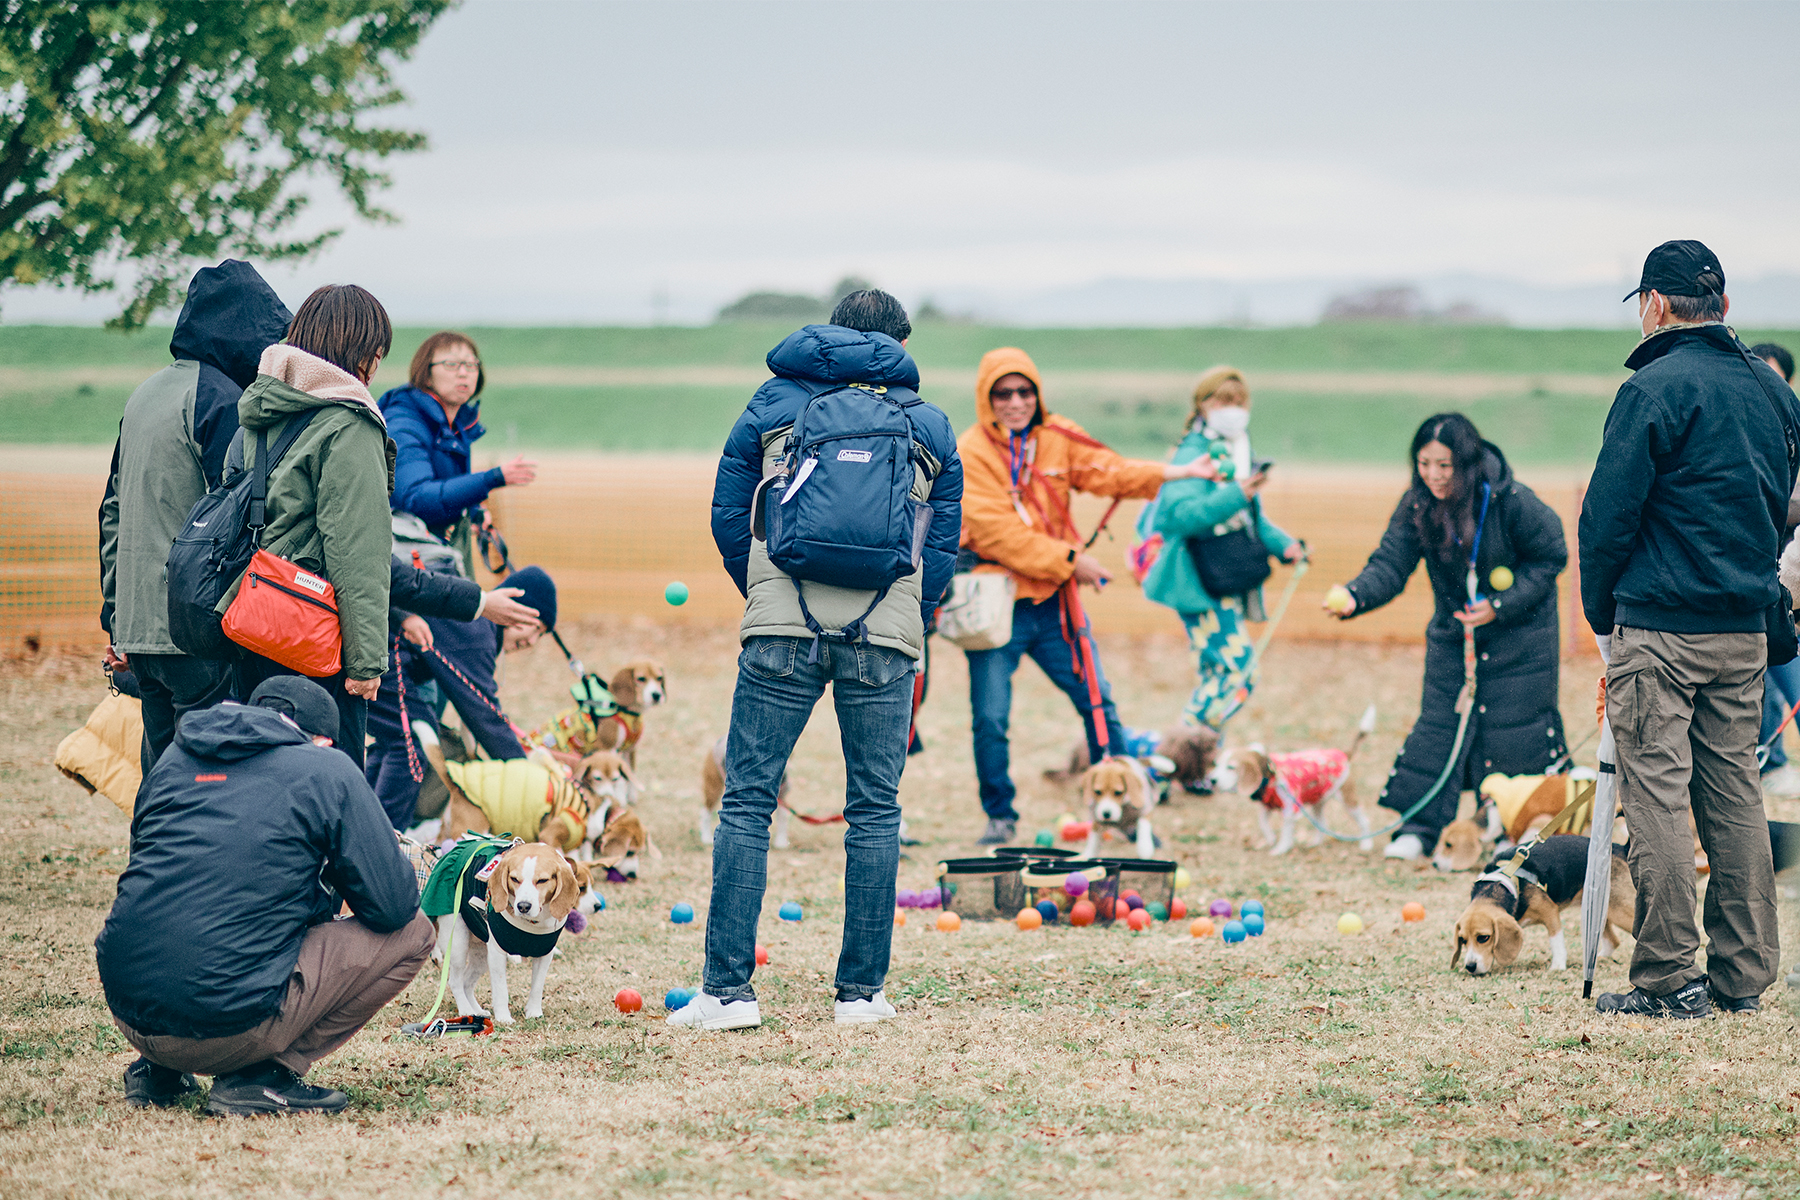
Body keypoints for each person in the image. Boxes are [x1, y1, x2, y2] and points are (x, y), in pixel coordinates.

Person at [678, 290, 961, 1030]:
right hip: (885, 635)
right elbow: (942, 547)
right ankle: (861, 997)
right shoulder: (928, 423)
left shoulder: (771, 402)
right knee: (876, 809)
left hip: (780, 626)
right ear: (900, 341)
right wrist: (909, 614)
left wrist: (767, 590)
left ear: (832, 333)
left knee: (746, 800)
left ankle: (727, 995)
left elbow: (727, 513)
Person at [1581, 239, 1799, 1018]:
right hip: (1746, 629)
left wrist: (1604, 622)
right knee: (1736, 794)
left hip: (1661, 631)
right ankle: (1743, 979)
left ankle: (1669, 978)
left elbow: (1606, 521)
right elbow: (1782, 511)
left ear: (1655, 305)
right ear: (1725, 307)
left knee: (1658, 801)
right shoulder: (1774, 395)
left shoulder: (1651, 392)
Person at [96, 676, 432, 1116]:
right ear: (322, 740)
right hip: (226, 1027)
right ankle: (263, 1075)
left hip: (130, 1011)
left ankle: (157, 1069)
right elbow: (393, 906)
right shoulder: (325, 768)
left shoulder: (175, 758)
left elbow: (151, 861)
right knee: (416, 933)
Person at [957, 347, 1218, 845]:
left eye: (1025, 391)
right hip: (998, 607)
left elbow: (1108, 471)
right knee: (990, 718)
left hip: (1054, 606)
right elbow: (997, 533)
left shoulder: (1058, 438)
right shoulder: (971, 452)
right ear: (986, 398)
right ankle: (999, 814)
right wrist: (1074, 563)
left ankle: (1128, 810)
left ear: (1038, 393)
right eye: (1003, 393)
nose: (1016, 401)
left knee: (1099, 703)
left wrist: (1174, 474)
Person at [1328, 413, 1568, 861]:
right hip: (1454, 635)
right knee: (1440, 726)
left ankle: (1510, 828)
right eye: (1424, 464)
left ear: (1467, 463)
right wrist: (1355, 595)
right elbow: (1390, 563)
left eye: (1444, 465)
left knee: (1512, 733)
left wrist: (1501, 604)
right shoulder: (1417, 504)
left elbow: (1551, 554)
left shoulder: (1510, 500)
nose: (1434, 475)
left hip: (1521, 640)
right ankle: (1419, 828)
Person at [98, 261, 292, 778]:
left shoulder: (145, 393)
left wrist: (115, 618)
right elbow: (236, 523)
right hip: (197, 628)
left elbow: (112, 509)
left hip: (139, 629)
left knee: (162, 775)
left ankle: (150, 860)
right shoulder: (222, 399)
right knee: (208, 778)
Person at [232, 284, 398, 767]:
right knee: (332, 779)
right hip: (312, 630)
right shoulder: (349, 425)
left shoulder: (262, 412)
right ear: (364, 352)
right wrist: (366, 662)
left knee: (264, 768)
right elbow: (357, 551)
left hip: (252, 617)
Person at [1142, 366, 1302, 734]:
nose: (1234, 409)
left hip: (1225, 575)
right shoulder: (1191, 453)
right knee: (1238, 674)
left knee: (1216, 676)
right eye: (1224, 400)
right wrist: (1237, 493)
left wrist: (1284, 545)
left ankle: (1201, 768)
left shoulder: (1238, 449)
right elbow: (1177, 517)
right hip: (1197, 583)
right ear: (1202, 405)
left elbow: (1248, 517)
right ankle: (1178, 755)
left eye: (1240, 401)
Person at [365, 566, 557, 831]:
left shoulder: (482, 632)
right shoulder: (478, 632)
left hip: (380, 654)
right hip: (382, 654)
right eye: (533, 627)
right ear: (509, 606)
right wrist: (528, 775)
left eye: (541, 635)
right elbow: (483, 713)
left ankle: (365, 827)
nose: (532, 641)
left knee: (397, 741)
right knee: (412, 742)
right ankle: (382, 840)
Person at [381, 331, 537, 573]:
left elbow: (445, 486)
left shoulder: (455, 425)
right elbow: (415, 498)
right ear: (426, 374)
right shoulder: (404, 424)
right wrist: (492, 478)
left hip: (432, 558)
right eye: (451, 364)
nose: (463, 372)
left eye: (471, 364)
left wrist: (473, 510)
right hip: (406, 566)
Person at [1751, 343, 1800, 797]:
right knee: (1758, 680)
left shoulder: (1793, 434)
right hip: (1749, 581)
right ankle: (1773, 760)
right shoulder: (1740, 430)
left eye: (1776, 376)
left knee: (1792, 670)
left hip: (1790, 581)